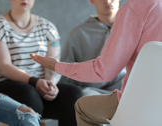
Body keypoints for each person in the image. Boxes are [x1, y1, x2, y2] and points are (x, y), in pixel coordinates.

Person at [30, 0, 162, 125]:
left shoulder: (134, 9)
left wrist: (55, 65)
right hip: (156, 104)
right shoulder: (78, 33)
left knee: (82, 107)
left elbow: (104, 72)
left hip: (138, 102)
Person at [0, 0, 83, 125]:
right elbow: (3, 67)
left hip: (40, 85)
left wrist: (51, 84)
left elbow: (54, 63)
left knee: (73, 93)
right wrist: (35, 82)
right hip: (6, 83)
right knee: (29, 93)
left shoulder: (48, 27)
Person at [60, 0, 126, 95]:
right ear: (92, 1)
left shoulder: (135, 29)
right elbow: (65, 75)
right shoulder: (78, 34)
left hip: (128, 89)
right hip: (91, 92)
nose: (107, 1)